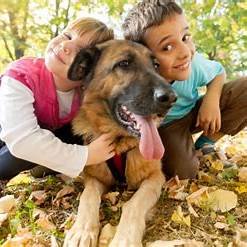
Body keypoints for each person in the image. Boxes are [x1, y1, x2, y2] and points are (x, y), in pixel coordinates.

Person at [122, 0, 247, 179]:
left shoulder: (192, 64)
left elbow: (219, 72)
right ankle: (184, 151)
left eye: (185, 37)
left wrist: (211, 100)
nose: (185, 52)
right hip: (167, 127)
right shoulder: (137, 81)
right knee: (183, 172)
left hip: (195, 113)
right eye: (167, 47)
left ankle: (206, 144)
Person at [0, 17, 115, 180]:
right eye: (67, 36)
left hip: (33, 135)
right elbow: (22, 140)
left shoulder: (83, 95)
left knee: (74, 132)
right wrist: (86, 156)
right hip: (10, 131)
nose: (66, 45)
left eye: (82, 52)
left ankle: (46, 168)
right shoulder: (22, 75)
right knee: (14, 157)